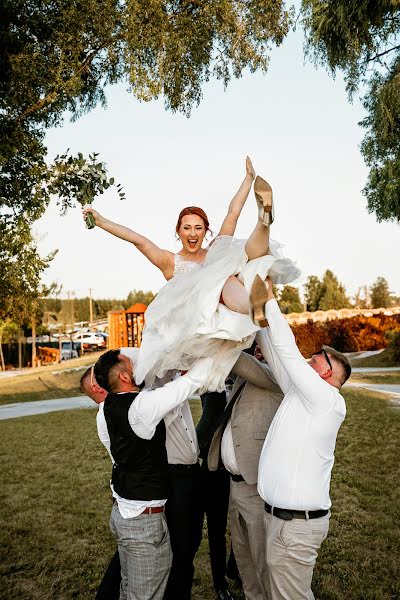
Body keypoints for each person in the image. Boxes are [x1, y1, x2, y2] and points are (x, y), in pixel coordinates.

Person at [83, 158, 300, 392]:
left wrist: (248, 179)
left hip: (232, 312)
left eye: (198, 228)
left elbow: (232, 213)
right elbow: (137, 239)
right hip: (203, 328)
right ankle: (253, 300)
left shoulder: (216, 251)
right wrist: (102, 221)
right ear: (179, 231)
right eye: (187, 228)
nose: (193, 233)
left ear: (206, 231)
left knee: (244, 256)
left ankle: (263, 221)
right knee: (225, 277)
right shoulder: (170, 262)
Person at [250, 275, 351, 600]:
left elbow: (288, 353)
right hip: (278, 519)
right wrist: (257, 318)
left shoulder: (326, 400)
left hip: (297, 527)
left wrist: (268, 299)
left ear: (327, 373)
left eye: (318, 358)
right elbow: (276, 353)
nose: (311, 358)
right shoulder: (301, 392)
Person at [81, 349, 209, 600]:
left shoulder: (111, 410)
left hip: (125, 512)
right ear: (124, 377)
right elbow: (192, 381)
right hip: (145, 519)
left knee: (130, 586)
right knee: (145, 590)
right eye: (132, 365)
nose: (138, 366)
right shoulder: (141, 407)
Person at [208, 347, 283, 600]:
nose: (259, 351)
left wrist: (223, 340)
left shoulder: (276, 375)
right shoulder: (242, 379)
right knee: (243, 556)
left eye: (263, 348)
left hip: (254, 485)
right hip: (234, 483)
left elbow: (240, 361)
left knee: (261, 558)